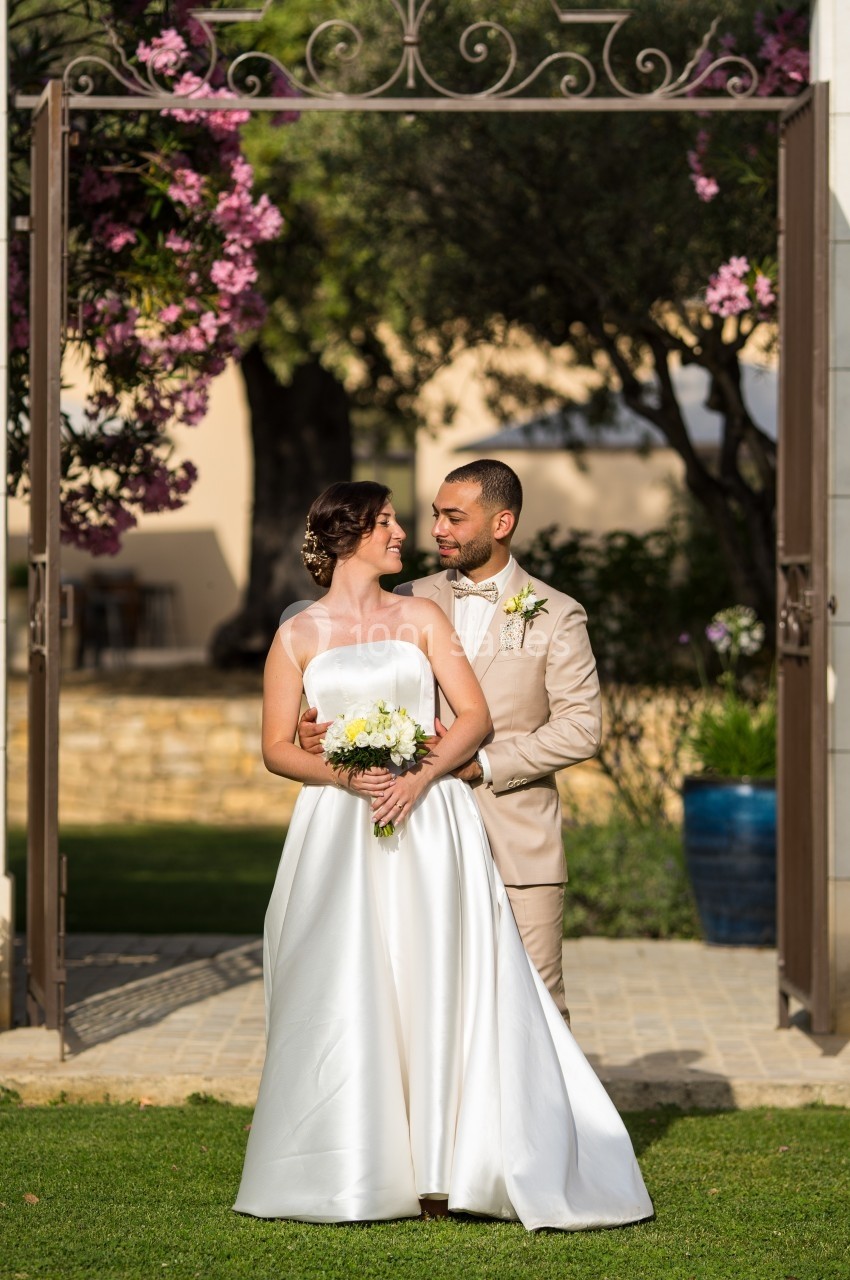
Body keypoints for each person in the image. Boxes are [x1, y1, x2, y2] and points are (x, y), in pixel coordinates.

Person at [234, 480, 652, 1229]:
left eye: (442, 517)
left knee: (493, 996)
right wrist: (337, 762)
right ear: (348, 534)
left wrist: (424, 772)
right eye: (396, 520)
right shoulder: (313, 626)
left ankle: (504, 1163)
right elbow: (280, 740)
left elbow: (494, 718)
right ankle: (354, 1153)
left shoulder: (498, 614)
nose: (418, 532)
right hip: (345, 831)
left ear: (503, 520)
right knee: (353, 984)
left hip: (452, 823)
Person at [300, 460, 600, 1022]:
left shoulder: (556, 614)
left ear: (502, 522)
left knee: (534, 1009)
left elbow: (581, 727)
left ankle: (552, 1114)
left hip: (516, 840)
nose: (436, 528)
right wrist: (317, 728)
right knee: (431, 1007)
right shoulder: (407, 596)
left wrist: (484, 762)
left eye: (454, 517)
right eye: (436, 514)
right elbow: (359, 679)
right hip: (419, 837)